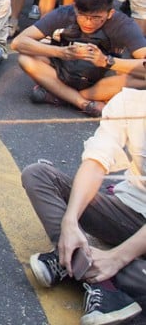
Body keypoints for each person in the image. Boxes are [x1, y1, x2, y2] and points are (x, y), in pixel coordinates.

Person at [22, 99, 146, 325]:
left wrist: (116, 258)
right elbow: (96, 162)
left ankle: (79, 265)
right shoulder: (130, 103)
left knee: (131, 271)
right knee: (38, 176)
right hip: (129, 210)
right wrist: (70, 221)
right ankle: (97, 274)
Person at [11, 0, 146, 117]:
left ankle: (61, 95)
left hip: (101, 79)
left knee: (142, 77)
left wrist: (107, 61)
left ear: (110, 13)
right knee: (25, 58)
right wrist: (60, 52)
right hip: (63, 70)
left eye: (96, 18)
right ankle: (82, 103)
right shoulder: (64, 13)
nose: (88, 22)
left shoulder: (123, 24)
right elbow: (18, 42)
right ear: (75, 8)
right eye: (82, 15)